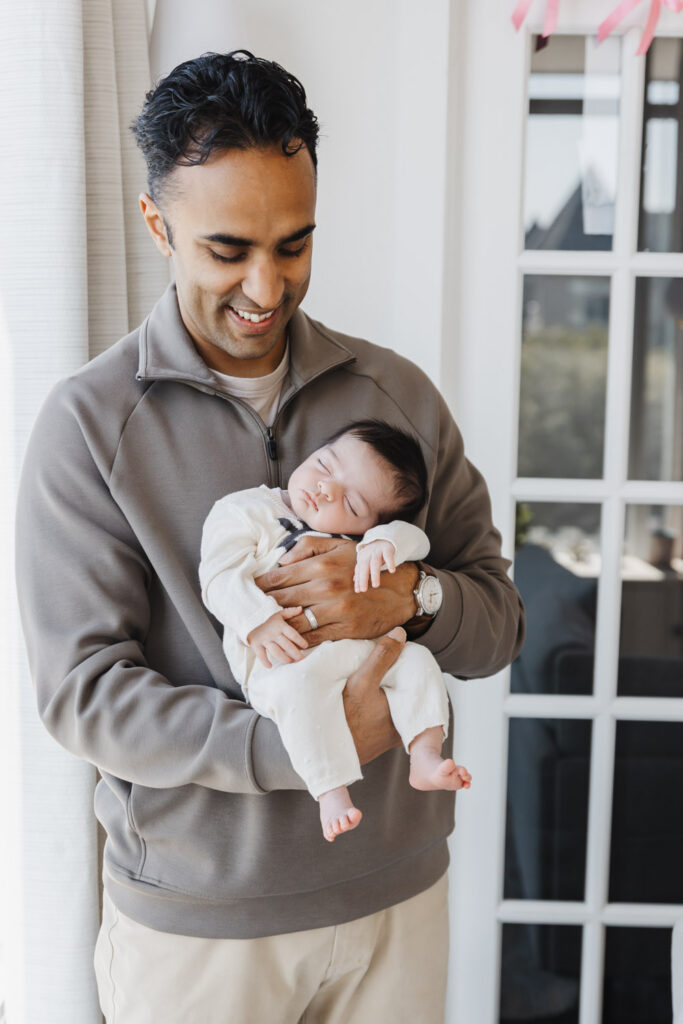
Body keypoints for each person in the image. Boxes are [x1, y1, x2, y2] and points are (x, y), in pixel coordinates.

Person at [15, 50, 525, 1022]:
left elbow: (494, 619)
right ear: (157, 227)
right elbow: (82, 695)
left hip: (397, 899)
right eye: (227, 249)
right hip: (198, 934)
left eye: (293, 244)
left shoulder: (395, 397)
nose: (265, 284)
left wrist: (406, 599)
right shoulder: (85, 427)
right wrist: (292, 746)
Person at [199, 419, 472, 843]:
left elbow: (415, 539)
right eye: (325, 465)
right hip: (282, 661)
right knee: (301, 692)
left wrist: (388, 544)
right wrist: (257, 621)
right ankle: (330, 791)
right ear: (313, 451)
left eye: (354, 503)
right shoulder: (244, 511)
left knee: (416, 659)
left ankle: (425, 755)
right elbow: (218, 577)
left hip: (355, 653)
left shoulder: (360, 540)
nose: (327, 489)